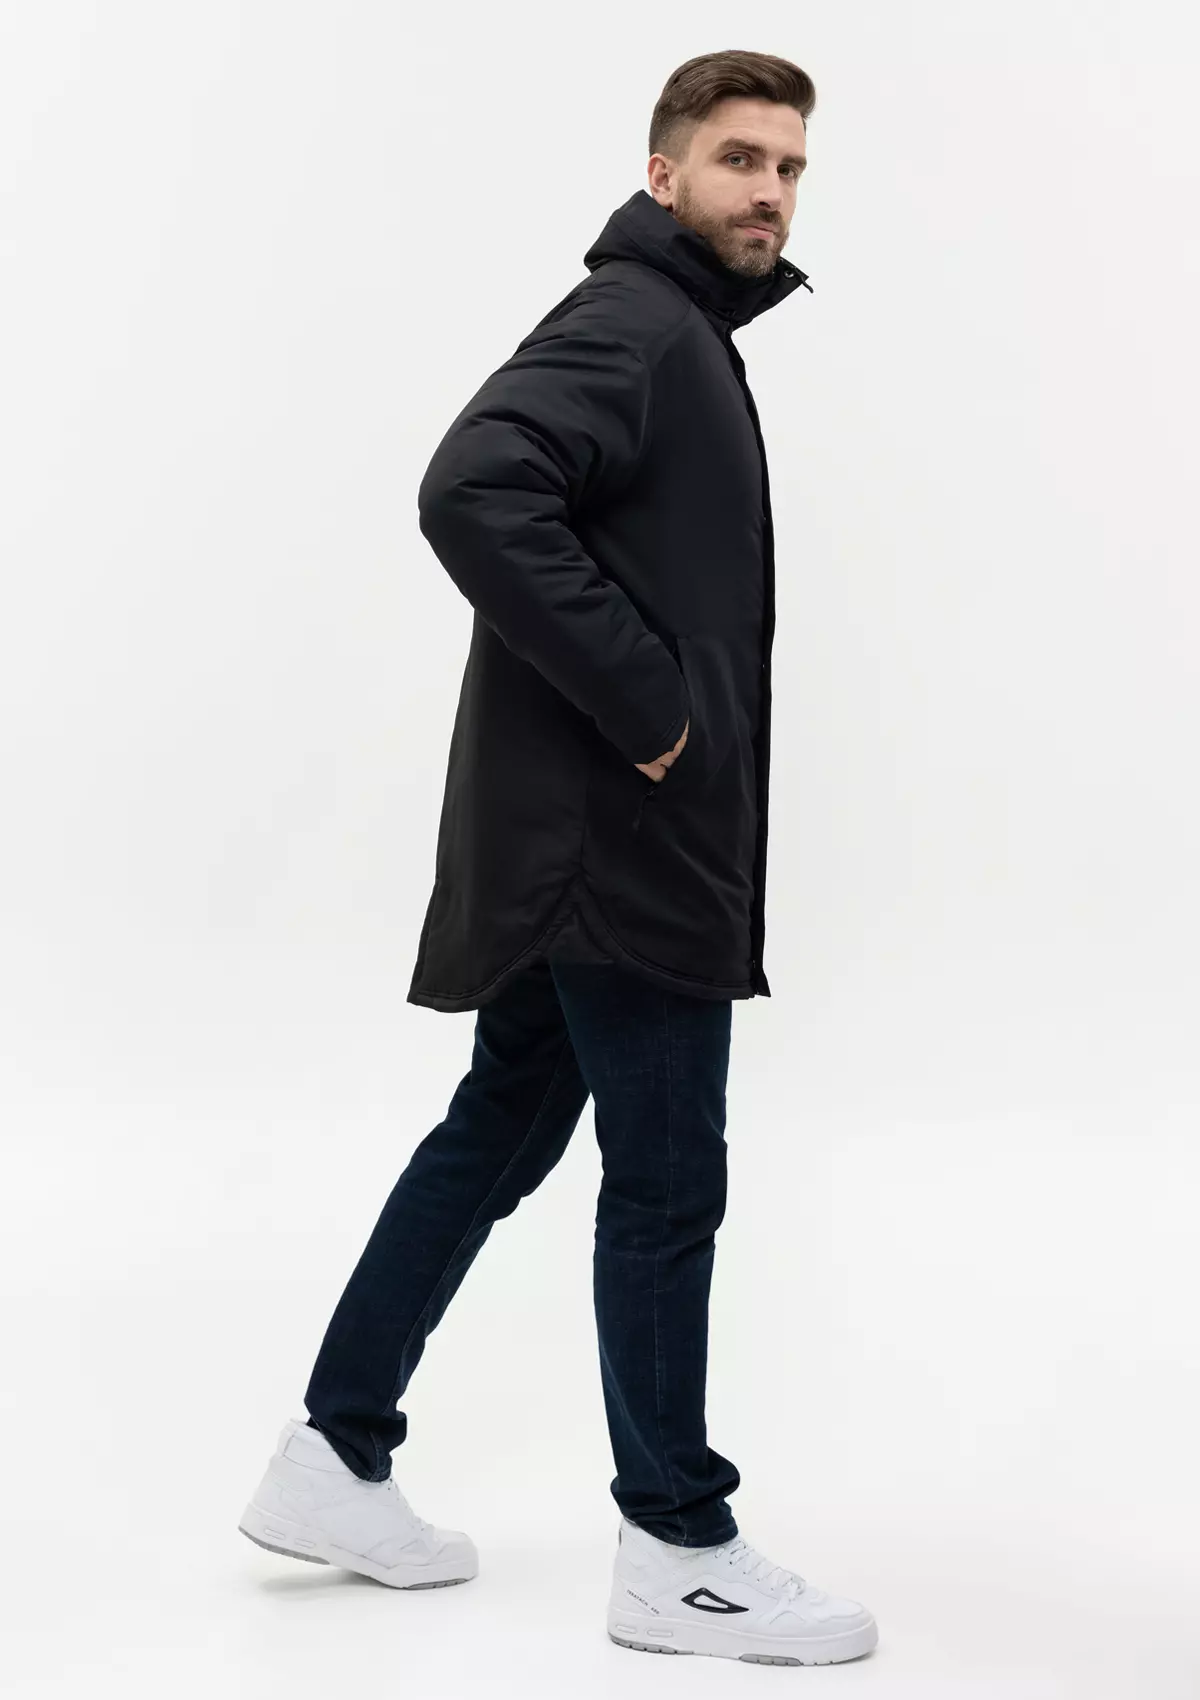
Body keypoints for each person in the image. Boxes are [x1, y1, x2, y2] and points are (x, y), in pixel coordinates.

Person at [239, 48, 878, 1666]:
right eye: (740, 160)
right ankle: (678, 1545)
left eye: (791, 168)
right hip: (622, 848)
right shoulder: (637, 324)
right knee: (666, 1184)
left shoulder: (678, 334)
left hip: (589, 839)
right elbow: (473, 487)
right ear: (664, 174)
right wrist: (651, 709)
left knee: (496, 1135)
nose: (770, 193)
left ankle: (333, 1456)